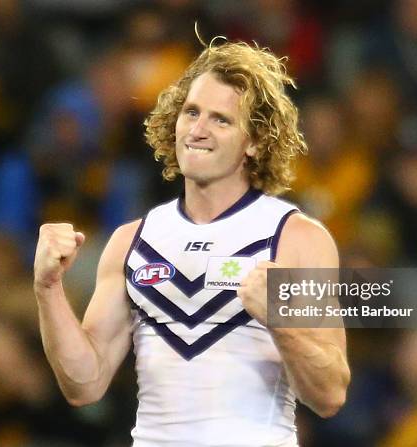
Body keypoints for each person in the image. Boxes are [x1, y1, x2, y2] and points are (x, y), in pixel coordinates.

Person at [33, 38, 351, 447]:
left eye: (221, 119)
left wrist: (281, 322)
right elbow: (85, 384)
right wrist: (48, 289)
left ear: (254, 141)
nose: (198, 130)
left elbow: (329, 394)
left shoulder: (296, 238)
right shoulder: (132, 241)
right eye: (191, 113)